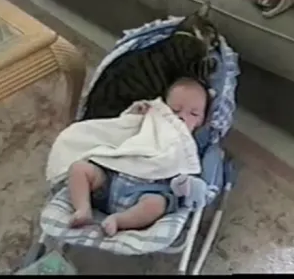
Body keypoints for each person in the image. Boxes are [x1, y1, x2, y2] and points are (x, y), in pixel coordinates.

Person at [66, 77, 209, 236]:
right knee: (79, 169)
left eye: (193, 114)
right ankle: (83, 209)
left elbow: (188, 174)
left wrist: (185, 183)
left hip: (145, 193)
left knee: (157, 205)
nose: (182, 117)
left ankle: (119, 220)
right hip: (110, 181)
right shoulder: (150, 121)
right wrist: (135, 113)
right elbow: (124, 128)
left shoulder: (191, 145)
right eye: (175, 110)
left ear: (201, 121)